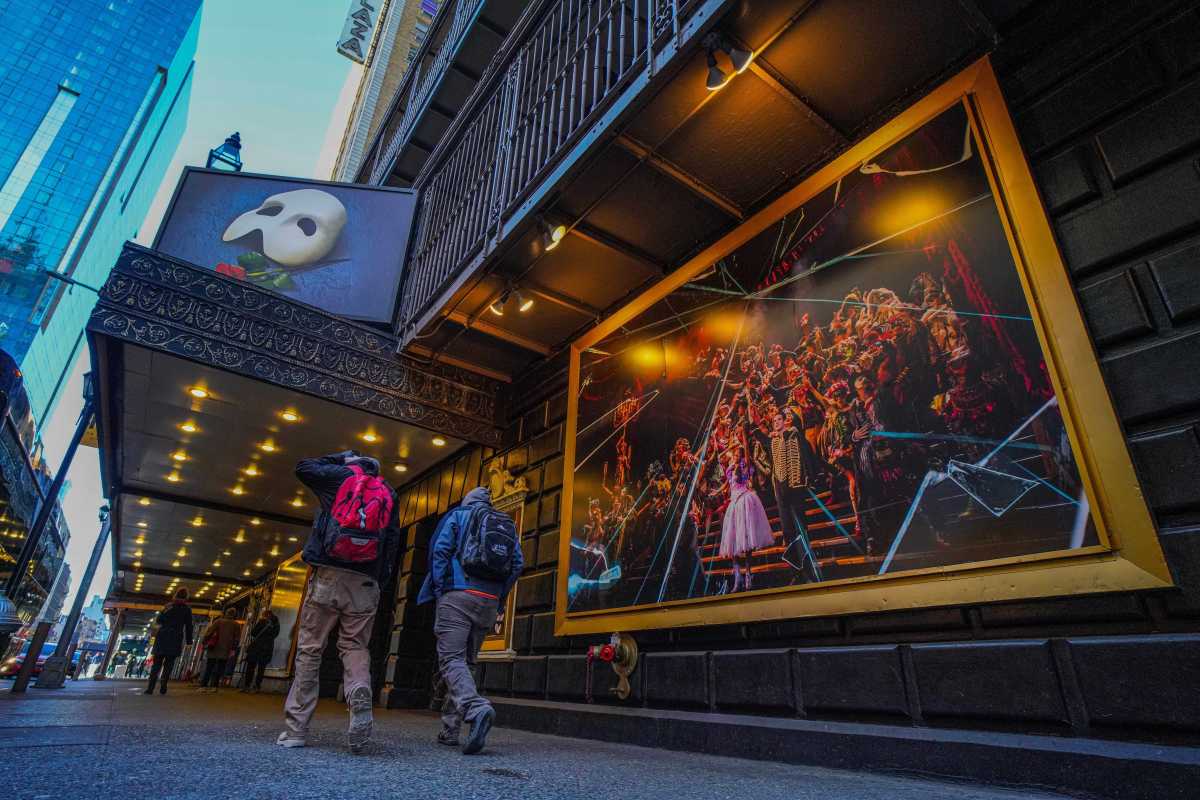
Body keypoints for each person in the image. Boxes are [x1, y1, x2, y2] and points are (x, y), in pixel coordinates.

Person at [278, 450, 399, 754]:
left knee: (310, 648)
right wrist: (378, 583)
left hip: (329, 574)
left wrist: (339, 458)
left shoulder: (339, 477)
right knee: (354, 646)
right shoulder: (388, 492)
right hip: (366, 580)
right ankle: (358, 690)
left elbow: (303, 464)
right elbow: (393, 541)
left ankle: (296, 730)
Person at [418, 486, 523, 755]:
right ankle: (450, 730)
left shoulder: (458, 516)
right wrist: (499, 596)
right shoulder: (504, 523)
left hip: (458, 594)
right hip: (488, 601)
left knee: (451, 659)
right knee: (466, 662)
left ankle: (476, 708)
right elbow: (517, 563)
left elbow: (439, 552)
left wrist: (442, 590)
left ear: (468, 500)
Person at [145, 588, 193, 695]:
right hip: (175, 638)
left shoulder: (168, 606)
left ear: (175, 595)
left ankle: (150, 688)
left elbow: (159, 620)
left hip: (162, 636)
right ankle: (163, 684)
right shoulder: (187, 609)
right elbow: (189, 626)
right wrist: (189, 641)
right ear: (186, 597)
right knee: (169, 664)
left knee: (156, 664)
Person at [199, 608, 242, 693]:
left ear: (226, 613)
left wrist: (204, 642)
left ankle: (204, 686)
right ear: (234, 615)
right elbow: (237, 639)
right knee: (220, 668)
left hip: (214, 647)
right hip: (226, 649)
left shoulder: (218, 621)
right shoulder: (236, 625)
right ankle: (214, 686)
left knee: (209, 667)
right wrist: (233, 649)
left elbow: (209, 632)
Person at [241, 610, 280, 693]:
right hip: (267, 648)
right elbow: (275, 635)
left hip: (256, 647)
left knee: (251, 667)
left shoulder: (262, 621)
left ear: (266, 615)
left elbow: (253, 633)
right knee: (261, 669)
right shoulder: (276, 624)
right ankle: (257, 686)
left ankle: (247, 686)